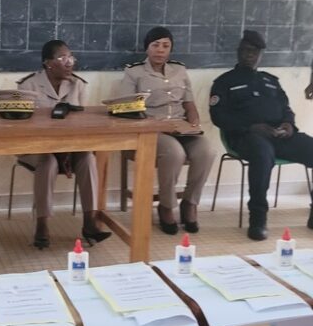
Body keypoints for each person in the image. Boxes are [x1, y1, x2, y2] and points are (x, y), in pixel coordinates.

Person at [210, 30, 313, 240]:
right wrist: (250, 127)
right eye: (246, 50)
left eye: (255, 51)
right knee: (262, 153)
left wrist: (288, 125)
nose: (250, 55)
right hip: (245, 137)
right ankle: (258, 217)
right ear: (238, 52)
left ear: (261, 55)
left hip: (278, 135)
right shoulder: (224, 81)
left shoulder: (271, 81)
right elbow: (219, 117)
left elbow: (286, 108)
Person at [115, 26, 216, 235]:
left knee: (207, 151)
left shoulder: (179, 70)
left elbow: (189, 103)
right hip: (153, 129)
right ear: (147, 48)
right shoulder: (134, 72)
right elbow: (126, 107)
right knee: (174, 153)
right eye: (155, 45)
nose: (160, 50)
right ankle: (166, 206)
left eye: (165, 46)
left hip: (180, 127)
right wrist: (153, 125)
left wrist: (194, 123)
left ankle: (190, 203)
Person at [17, 40, 111, 248]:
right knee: (48, 162)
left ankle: (90, 222)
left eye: (71, 58)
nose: (69, 63)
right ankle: (42, 224)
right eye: (63, 58)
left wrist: (68, 147)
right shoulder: (28, 85)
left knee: (88, 158)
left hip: (69, 147)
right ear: (48, 63)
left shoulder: (78, 84)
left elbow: (81, 124)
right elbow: (24, 127)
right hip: (36, 147)